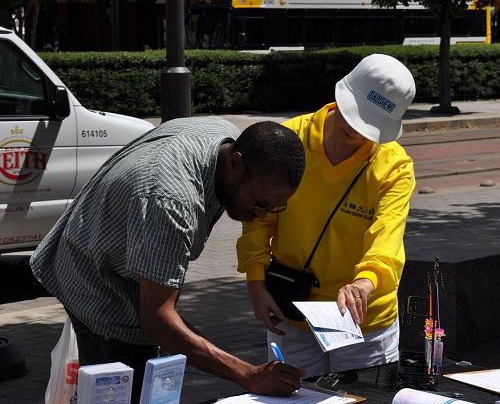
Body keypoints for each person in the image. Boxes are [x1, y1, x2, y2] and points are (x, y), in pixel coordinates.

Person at [30, 117, 306, 403]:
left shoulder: (222, 135)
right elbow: (158, 320)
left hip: (112, 252)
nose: (262, 215)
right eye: (260, 202)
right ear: (236, 163)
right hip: (94, 283)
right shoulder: (171, 202)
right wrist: (248, 374)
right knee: (121, 390)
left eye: (275, 208)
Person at [236, 54, 417, 379]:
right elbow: (259, 220)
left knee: (365, 400)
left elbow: (386, 238)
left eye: (370, 124)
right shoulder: (289, 140)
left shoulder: (394, 166)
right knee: (292, 397)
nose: (357, 130)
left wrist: (365, 282)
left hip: (363, 320)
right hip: (293, 311)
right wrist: (255, 283)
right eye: (355, 115)